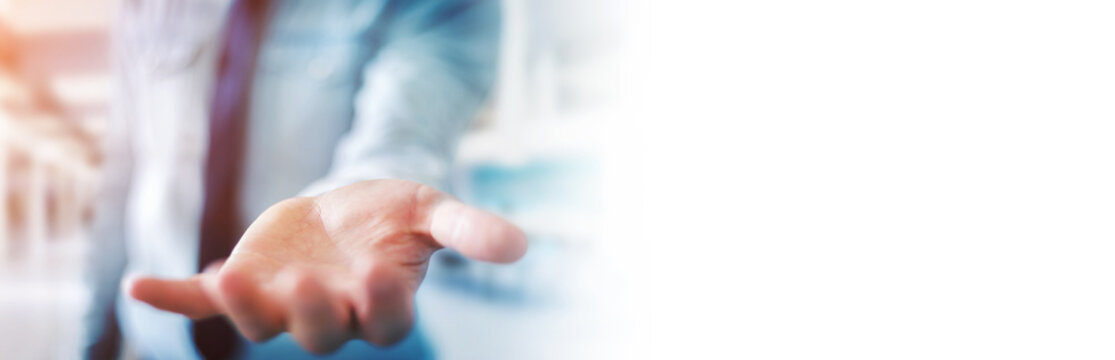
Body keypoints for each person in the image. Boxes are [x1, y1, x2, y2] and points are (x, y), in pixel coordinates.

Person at [82, 0, 524, 359]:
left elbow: (403, 133)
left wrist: (363, 209)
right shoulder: (143, 9)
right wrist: (93, 346)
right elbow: (121, 177)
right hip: (163, 340)